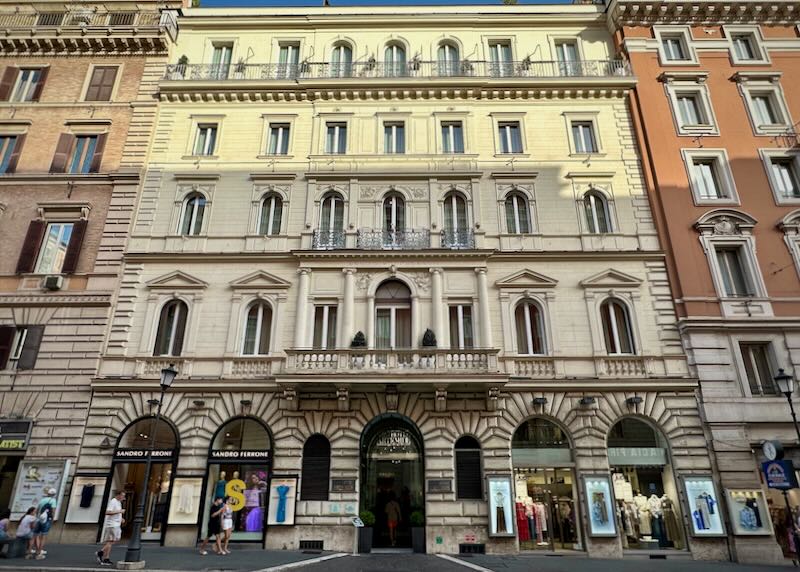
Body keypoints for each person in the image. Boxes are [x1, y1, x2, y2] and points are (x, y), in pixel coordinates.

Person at [96, 490, 125, 566]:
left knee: (112, 541)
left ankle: (104, 556)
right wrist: (119, 511)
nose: (123, 497)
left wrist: (120, 518)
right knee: (111, 541)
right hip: (112, 525)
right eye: (122, 495)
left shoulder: (118, 502)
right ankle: (103, 555)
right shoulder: (113, 501)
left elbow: (116, 513)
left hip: (116, 524)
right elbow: (108, 512)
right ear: (118, 495)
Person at [32, 488, 57, 560]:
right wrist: (52, 519)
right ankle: (39, 553)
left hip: (39, 519)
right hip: (46, 520)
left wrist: (37, 517)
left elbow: (37, 510)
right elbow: (53, 511)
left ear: (48, 494)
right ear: (54, 495)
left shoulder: (42, 500)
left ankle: (29, 553)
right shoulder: (53, 500)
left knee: (35, 535)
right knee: (43, 536)